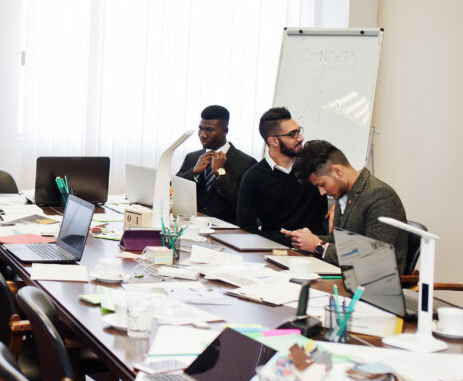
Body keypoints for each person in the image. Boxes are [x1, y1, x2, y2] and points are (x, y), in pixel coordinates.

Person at [284, 139, 410, 273]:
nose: (322, 192)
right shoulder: (344, 195)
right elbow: (339, 241)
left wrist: (319, 246)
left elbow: (377, 258)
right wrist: (306, 239)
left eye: (322, 184)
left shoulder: (380, 196)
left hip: (372, 284)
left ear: (337, 171)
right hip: (348, 276)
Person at [236, 107, 327, 247]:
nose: (301, 138)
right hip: (273, 249)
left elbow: (343, 181)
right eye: (293, 134)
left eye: (299, 131)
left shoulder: (314, 166)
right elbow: (246, 228)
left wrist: (339, 205)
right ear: (273, 141)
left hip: (315, 248)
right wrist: (288, 241)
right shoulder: (253, 177)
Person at [175, 105, 256, 223]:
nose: (202, 134)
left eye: (209, 130)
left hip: (227, 230)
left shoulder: (247, 163)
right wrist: (193, 172)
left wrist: (220, 172)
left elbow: (242, 203)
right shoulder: (192, 157)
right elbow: (175, 190)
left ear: (225, 131)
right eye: (200, 128)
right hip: (192, 225)